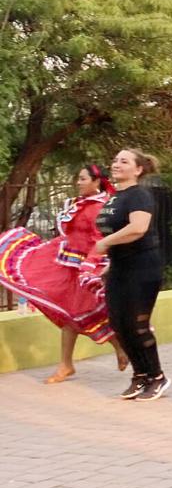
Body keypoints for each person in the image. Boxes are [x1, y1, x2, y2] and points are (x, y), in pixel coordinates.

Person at [0, 164, 128, 383]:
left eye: (82, 179)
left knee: (84, 314)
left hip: (84, 267)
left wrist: (91, 268)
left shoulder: (100, 208)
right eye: (78, 179)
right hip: (65, 262)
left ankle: (117, 351)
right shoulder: (84, 203)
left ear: (96, 182)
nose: (78, 183)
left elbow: (100, 241)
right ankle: (68, 364)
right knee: (68, 313)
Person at [92, 149, 171, 401]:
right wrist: (110, 260)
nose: (116, 164)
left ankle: (157, 376)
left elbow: (138, 228)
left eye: (123, 161)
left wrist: (105, 244)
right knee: (118, 325)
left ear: (138, 169)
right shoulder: (116, 197)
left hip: (143, 268)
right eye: (115, 160)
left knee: (137, 325)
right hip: (120, 267)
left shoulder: (140, 195)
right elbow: (119, 230)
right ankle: (140, 376)